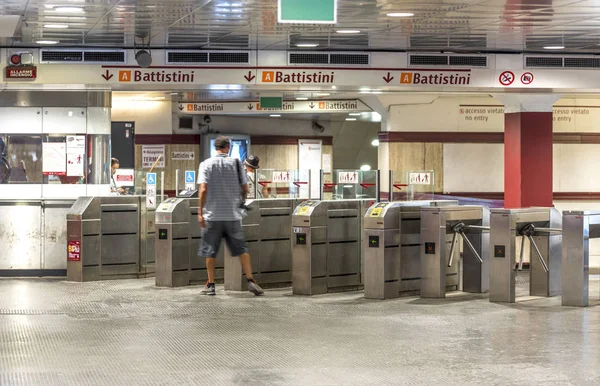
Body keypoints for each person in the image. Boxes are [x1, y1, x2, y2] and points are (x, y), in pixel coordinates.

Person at [197, 136, 264, 296]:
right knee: (241, 249)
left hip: (212, 215)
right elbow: (246, 188)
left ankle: (211, 285)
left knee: (210, 251)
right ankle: (250, 281)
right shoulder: (236, 163)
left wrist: (200, 212)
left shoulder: (205, 164)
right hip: (232, 215)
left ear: (216, 148)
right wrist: (240, 201)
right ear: (228, 147)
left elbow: (203, 189)